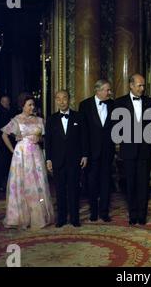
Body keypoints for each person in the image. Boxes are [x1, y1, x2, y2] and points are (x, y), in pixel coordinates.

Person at [1, 93, 54, 229]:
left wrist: (39, 140)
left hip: (36, 155)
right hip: (21, 155)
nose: (32, 107)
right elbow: (4, 135)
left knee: (37, 184)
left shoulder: (40, 120)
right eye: (29, 105)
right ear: (22, 105)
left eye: (33, 104)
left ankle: (39, 215)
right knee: (22, 184)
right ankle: (19, 216)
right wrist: (13, 150)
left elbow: (45, 138)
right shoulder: (16, 120)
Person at [113, 73, 151, 225]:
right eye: (139, 85)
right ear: (131, 85)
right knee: (130, 183)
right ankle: (132, 214)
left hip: (145, 149)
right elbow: (116, 126)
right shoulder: (119, 103)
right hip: (128, 149)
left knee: (143, 184)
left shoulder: (149, 102)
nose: (142, 88)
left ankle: (142, 215)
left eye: (143, 85)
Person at [45, 90, 88, 227]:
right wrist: (48, 159)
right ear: (56, 101)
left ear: (69, 100)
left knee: (74, 189)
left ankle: (75, 218)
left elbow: (84, 138)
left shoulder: (78, 117)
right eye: (59, 99)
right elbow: (48, 142)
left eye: (64, 98)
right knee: (60, 190)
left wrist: (85, 155)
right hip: (57, 160)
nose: (62, 101)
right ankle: (61, 218)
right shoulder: (51, 119)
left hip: (74, 160)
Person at [79, 80, 114, 222]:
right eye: (107, 90)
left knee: (106, 181)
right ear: (98, 91)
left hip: (108, 150)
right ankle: (93, 211)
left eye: (109, 90)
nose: (109, 92)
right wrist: (84, 154)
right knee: (92, 182)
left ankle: (104, 211)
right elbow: (83, 132)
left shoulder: (113, 104)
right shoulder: (85, 105)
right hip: (91, 152)